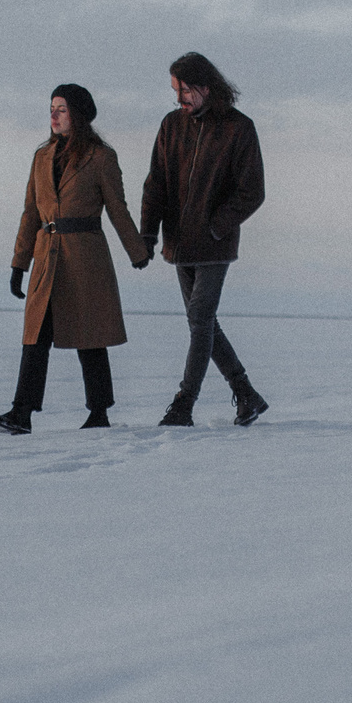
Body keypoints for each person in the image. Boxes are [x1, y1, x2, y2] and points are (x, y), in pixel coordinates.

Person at [0, 83, 151, 434]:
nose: (53, 115)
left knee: (90, 336)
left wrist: (136, 251)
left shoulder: (101, 157)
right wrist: (19, 264)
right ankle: (21, 413)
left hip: (85, 257)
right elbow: (31, 211)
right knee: (35, 336)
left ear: (78, 114)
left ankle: (99, 413)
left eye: (61, 109)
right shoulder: (41, 157)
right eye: (51, 108)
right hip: (46, 256)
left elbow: (117, 208)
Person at [138, 51, 267, 427]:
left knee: (199, 319)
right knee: (204, 323)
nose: (179, 99)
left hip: (214, 244)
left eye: (184, 91)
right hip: (178, 243)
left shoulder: (238, 128)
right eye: (175, 91)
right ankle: (246, 394)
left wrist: (216, 226)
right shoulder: (170, 126)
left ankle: (184, 405)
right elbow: (155, 184)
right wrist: (147, 234)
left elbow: (252, 191)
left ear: (205, 88)